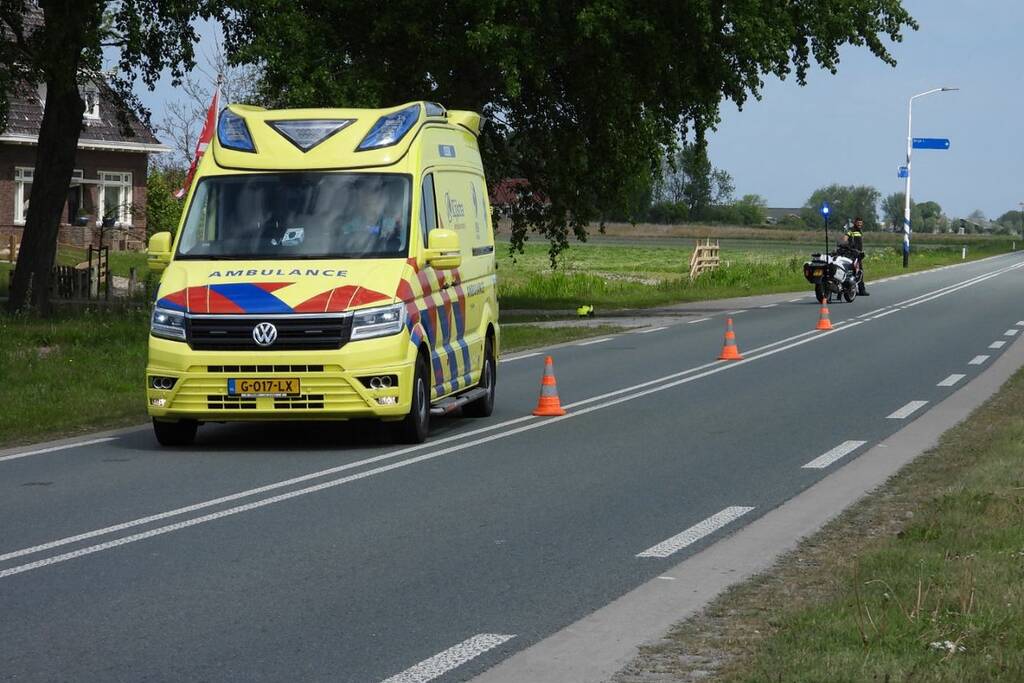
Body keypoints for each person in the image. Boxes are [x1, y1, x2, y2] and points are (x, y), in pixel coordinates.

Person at [844, 216, 869, 295]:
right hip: (853, 254)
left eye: (861, 223)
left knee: (856, 272)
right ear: (855, 223)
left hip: (858, 254)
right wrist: (848, 246)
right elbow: (845, 238)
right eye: (858, 223)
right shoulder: (851, 230)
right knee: (859, 271)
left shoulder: (860, 231)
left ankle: (854, 289)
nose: (859, 224)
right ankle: (861, 290)